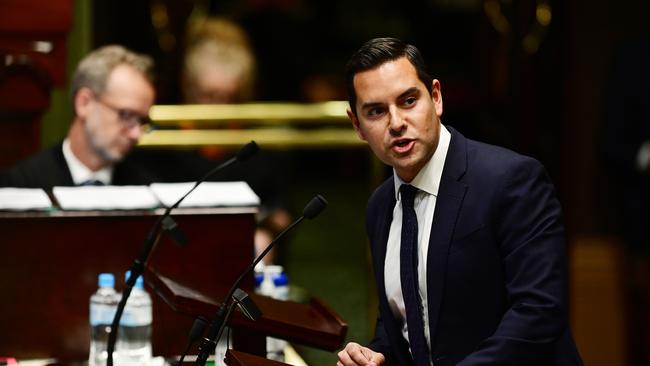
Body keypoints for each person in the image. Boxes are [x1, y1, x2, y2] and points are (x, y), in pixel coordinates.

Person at [337, 38, 582, 366]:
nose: (396, 123)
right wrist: (375, 355)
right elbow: (404, 321)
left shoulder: (511, 180)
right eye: (376, 111)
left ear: (436, 98)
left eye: (409, 101)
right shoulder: (380, 206)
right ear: (357, 125)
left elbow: (538, 313)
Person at [0, 45, 157, 188]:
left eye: (142, 120)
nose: (136, 134)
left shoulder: (145, 189)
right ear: (84, 103)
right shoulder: (20, 185)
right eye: (126, 115)